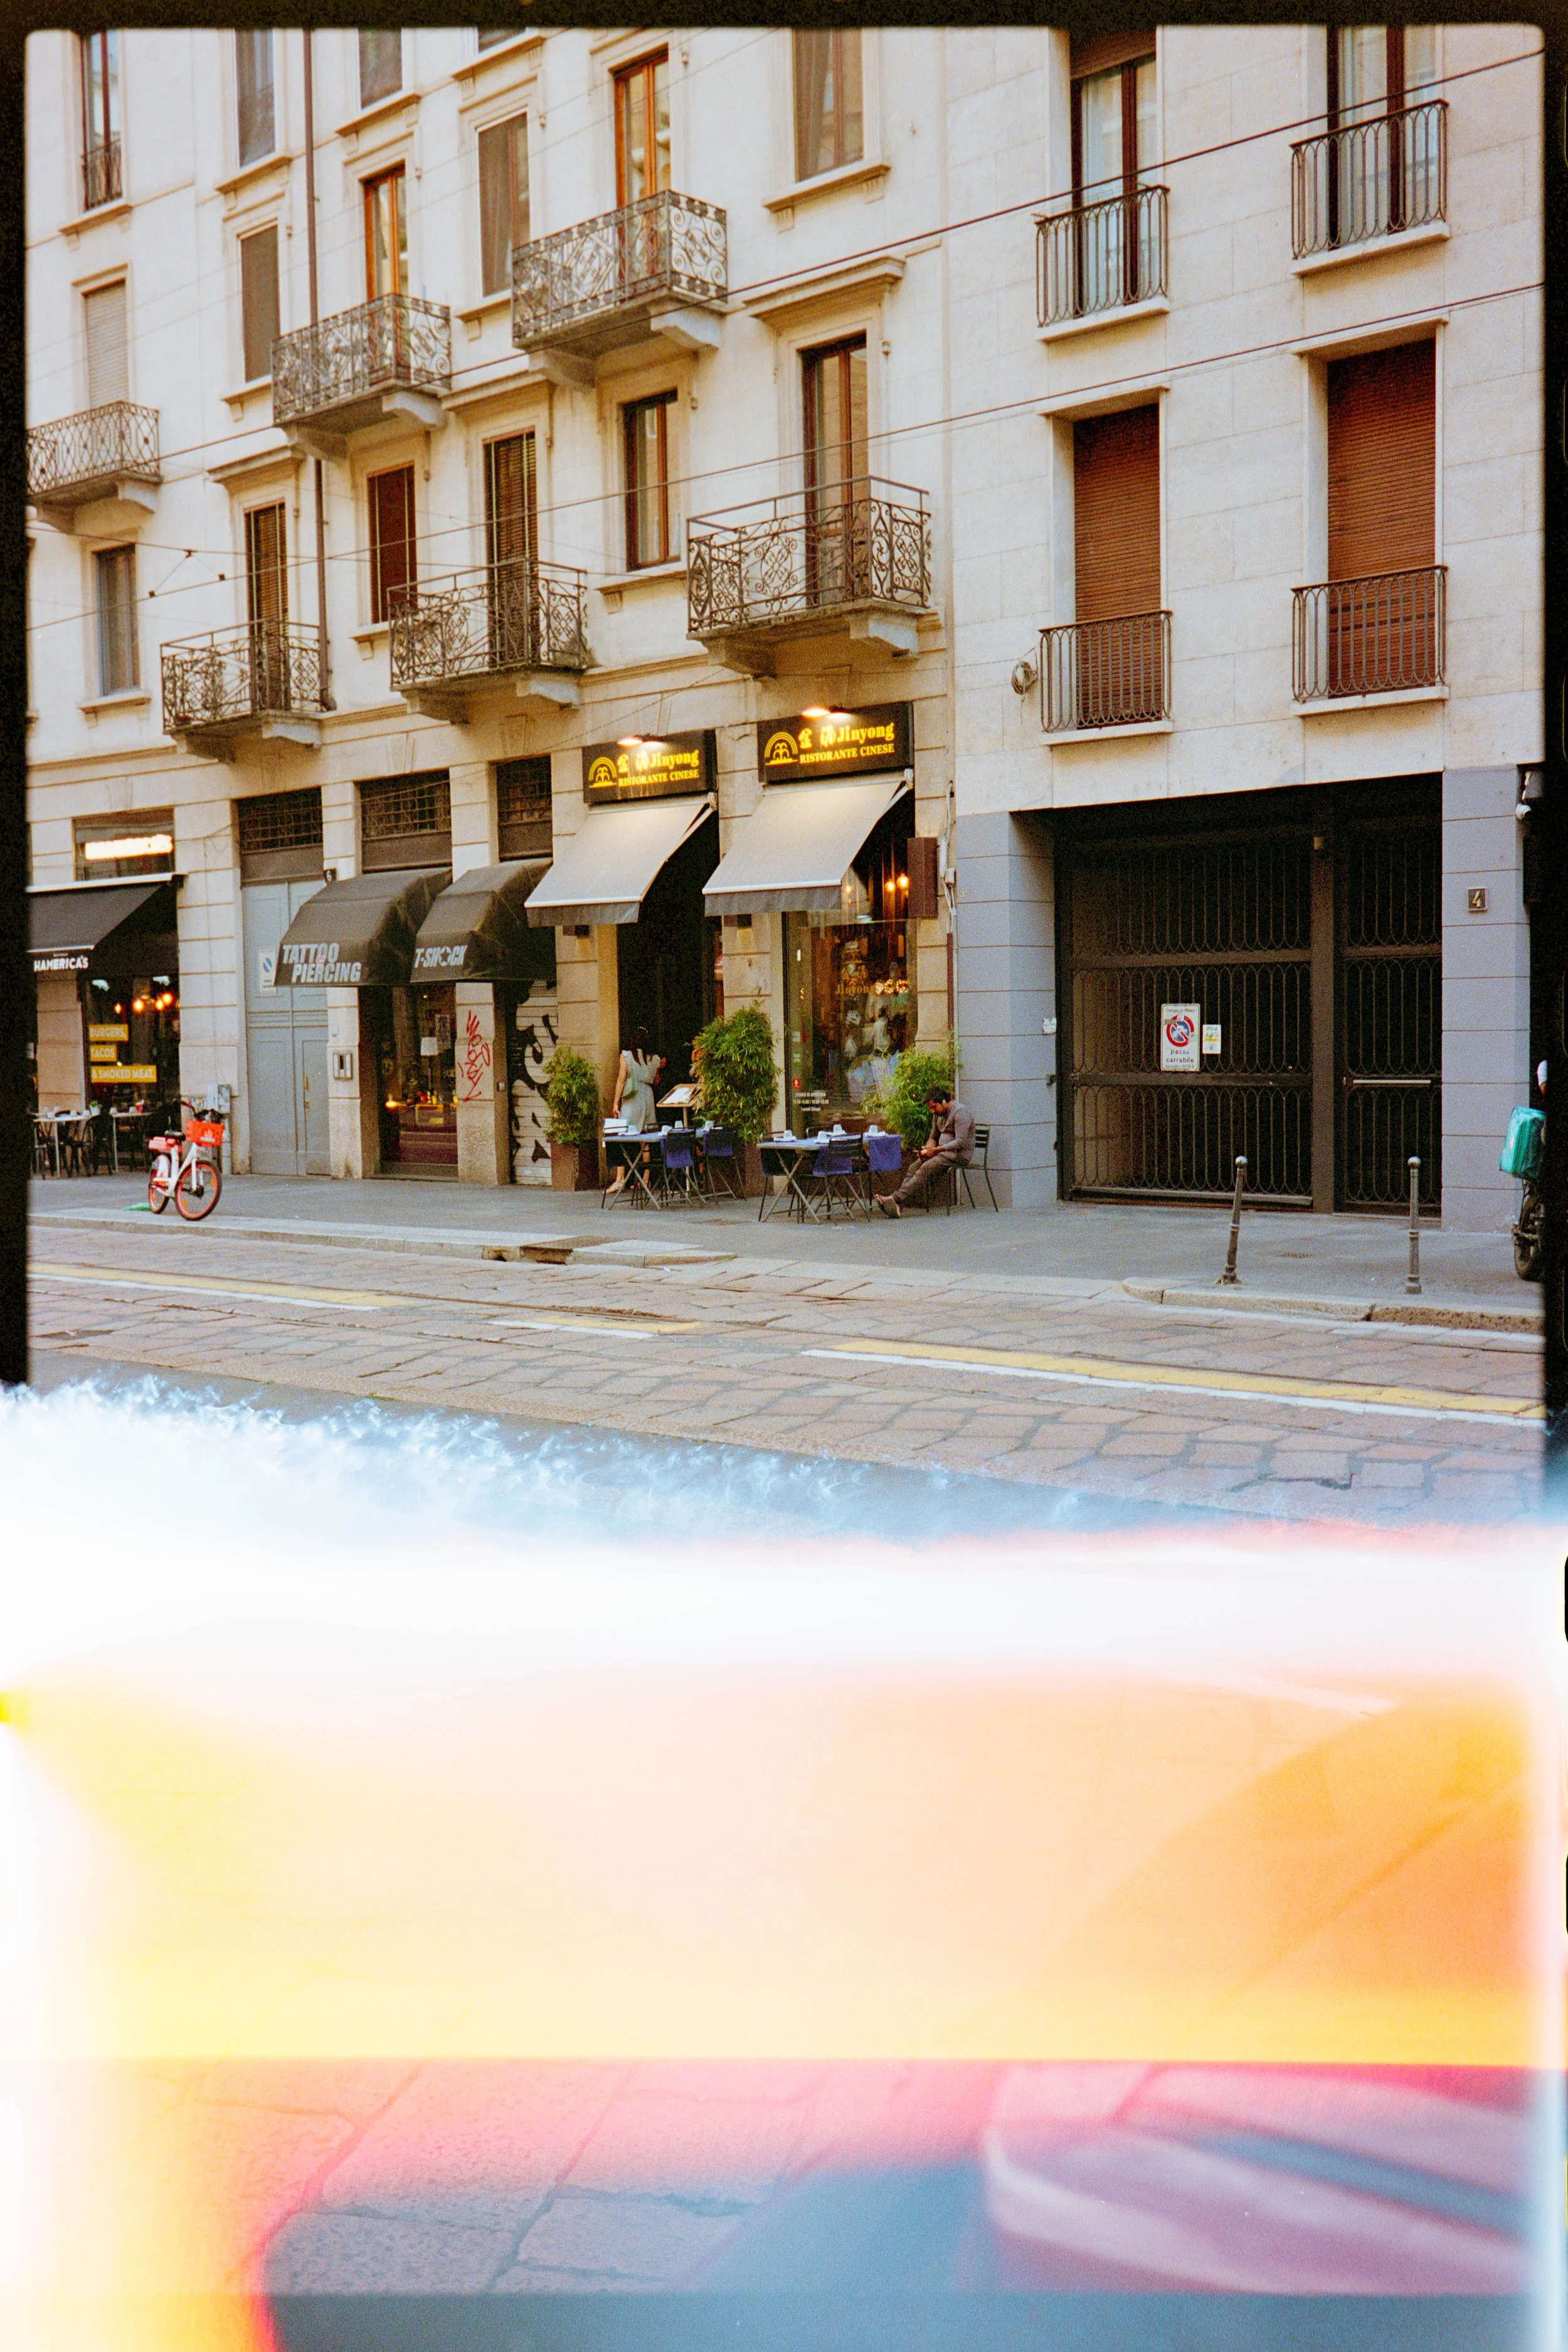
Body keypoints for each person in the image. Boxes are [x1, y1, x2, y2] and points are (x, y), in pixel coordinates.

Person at [875, 1086, 975, 1217]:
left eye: (934, 1107)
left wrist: (936, 1150)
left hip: (958, 1155)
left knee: (926, 1167)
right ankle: (897, 1204)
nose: (932, 1111)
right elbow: (933, 1136)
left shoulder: (961, 1113)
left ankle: (895, 1198)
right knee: (914, 1166)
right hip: (941, 1153)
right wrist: (927, 1150)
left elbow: (960, 1142)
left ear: (944, 1102)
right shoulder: (938, 1115)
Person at [606, 1027, 664, 1196]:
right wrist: (659, 1068)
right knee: (645, 1139)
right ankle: (645, 1179)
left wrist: (616, 1102)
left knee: (623, 1136)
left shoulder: (626, 1056)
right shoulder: (654, 1059)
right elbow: (656, 1081)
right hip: (648, 1097)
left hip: (633, 1098)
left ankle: (620, 1179)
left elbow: (621, 1079)